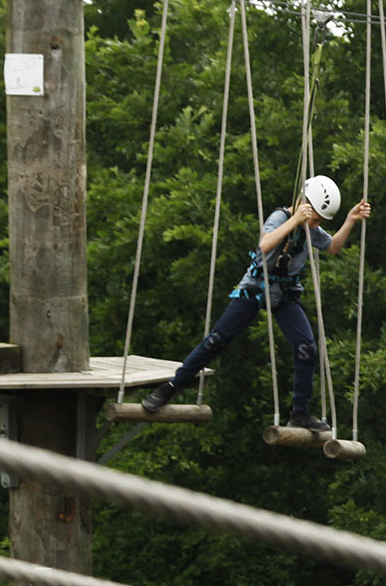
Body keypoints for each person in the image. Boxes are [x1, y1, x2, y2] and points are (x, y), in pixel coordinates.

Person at [141, 175, 372, 431]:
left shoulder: (310, 228)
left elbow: (333, 247)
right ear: (304, 204)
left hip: (284, 295)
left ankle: (300, 412)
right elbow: (265, 244)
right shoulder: (280, 218)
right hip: (255, 289)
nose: (316, 225)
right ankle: (171, 387)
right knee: (216, 340)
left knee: (307, 348)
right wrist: (295, 220)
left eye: (319, 221)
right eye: (315, 218)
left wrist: (350, 220)